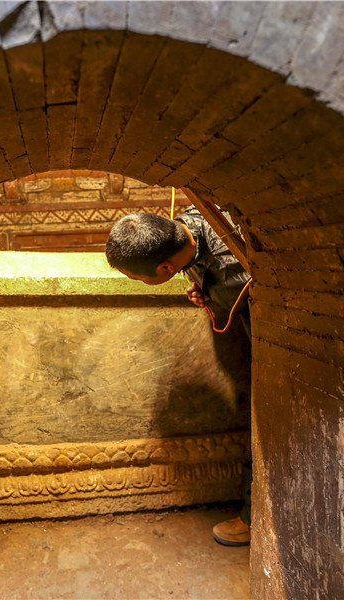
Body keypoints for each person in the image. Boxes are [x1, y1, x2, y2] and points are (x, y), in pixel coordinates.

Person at [105, 207, 252, 546]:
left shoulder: (237, 267)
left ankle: (254, 518)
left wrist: (215, 295)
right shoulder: (189, 222)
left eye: (144, 279)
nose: (146, 284)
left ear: (165, 268)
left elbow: (240, 291)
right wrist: (203, 288)